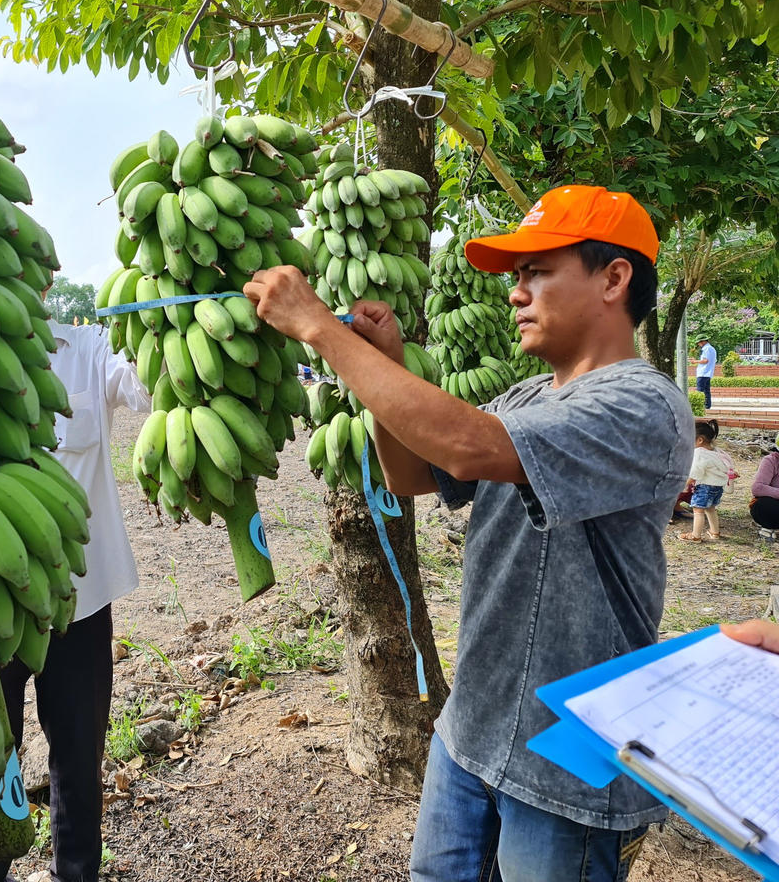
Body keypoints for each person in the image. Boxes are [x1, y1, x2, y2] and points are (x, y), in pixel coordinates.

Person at [244, 185, 694, 882]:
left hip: (564, 759)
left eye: (538, 272)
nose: (516, 293)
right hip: (473, 726)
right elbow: (414, 475)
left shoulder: (644, 404)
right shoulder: (523, 397)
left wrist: (319, 331)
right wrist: (383, 360)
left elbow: (464, 446)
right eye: (516, 277)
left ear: (614, 277)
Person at [0, 303, 150, 882]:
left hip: (81, 601)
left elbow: (146, 389)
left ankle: (77, 873)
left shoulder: (90, 352)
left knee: (78, 758)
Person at [678, 419, 731, 543]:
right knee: (710, 509)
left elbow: (695, 473)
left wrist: (684, 484)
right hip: (717, 487)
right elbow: (726, 466)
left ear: (700, 440)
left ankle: (695, 535)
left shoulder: (699, 453)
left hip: (705, 487)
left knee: (698, 510)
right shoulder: (716, 451)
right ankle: (715, 532)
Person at [750, 433, 779, 540]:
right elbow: (757, 488)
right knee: (764, 505)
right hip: (772, 505)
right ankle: (769, 526)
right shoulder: (770, 461)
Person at [694, 336, 717, 409]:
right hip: (708, 373)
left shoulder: (706, 349)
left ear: (703, 341)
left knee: (700, 391)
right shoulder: (712, 348)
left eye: (699, 343)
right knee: (706, 391)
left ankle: (699, 407)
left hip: (703, 372)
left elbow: (705, 360)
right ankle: (707, 406)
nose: (698, 344)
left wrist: (695, 361)